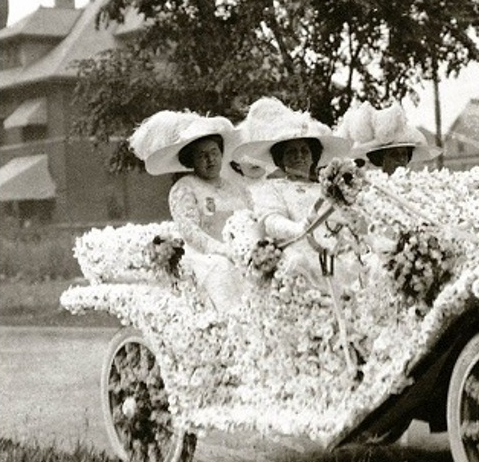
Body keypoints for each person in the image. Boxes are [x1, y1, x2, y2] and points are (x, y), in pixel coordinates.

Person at [129, 109, 252, 313]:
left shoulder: (236, 187)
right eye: (202, 156)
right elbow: (191, 232)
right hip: (204, 257)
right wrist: (224, 251)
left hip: (239, 250)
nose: (210, 160)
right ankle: (232, 321)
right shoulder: (185, 188)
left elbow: (251, 220)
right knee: (223, 268)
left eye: (214, 152)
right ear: (191, 160)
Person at [230, 97, 353, 287]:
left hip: (337, 254)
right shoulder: (272, 187)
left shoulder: (326, 187)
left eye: (304, 151)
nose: (299, 156)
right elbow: (271, 221)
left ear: (313, 156)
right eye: (291, 152)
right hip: (298, 254)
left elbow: (342, 220)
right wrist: (298, 228)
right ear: (280, 159)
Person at [341, 102, 440, 174]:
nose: (401, 159)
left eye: (404, 154)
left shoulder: (415, 188)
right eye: (394, 154)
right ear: (380, 159)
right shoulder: (371, 188)